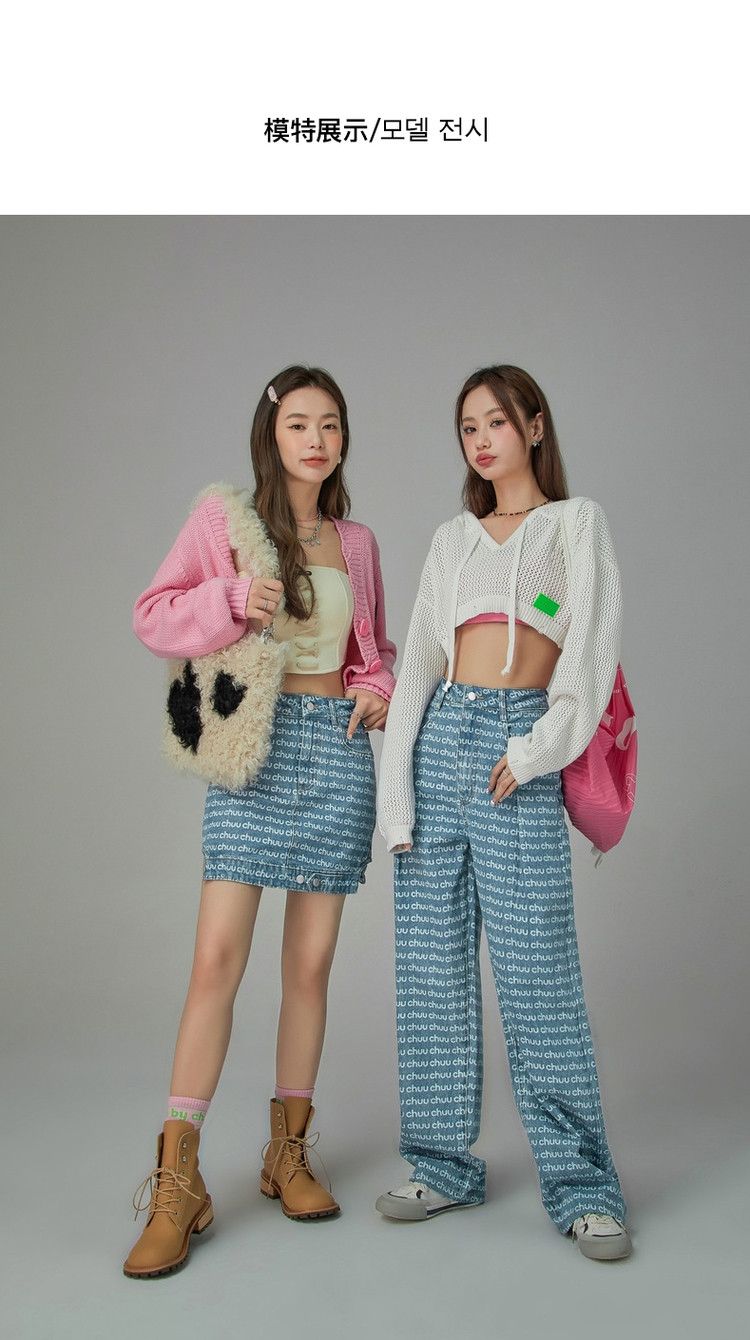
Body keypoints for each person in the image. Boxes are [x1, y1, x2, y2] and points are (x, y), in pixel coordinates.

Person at [124, 365, 396, 1278]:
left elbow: (373, 650)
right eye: (299, 424)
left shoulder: (356, 542)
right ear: (270, 435)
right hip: (255, 753)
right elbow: (153, 616)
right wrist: (233, 601)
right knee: (216, 961)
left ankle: (288, 1152)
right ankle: (178, 1180)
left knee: (310, 966)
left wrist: (378, 685)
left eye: (331, 424)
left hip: (337, 758)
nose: (316, 440)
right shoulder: (226, 523)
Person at [375, 364, 631, 1261]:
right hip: (441, 738)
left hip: (516, 748)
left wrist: (532, 753)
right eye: (467, 427)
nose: (481, 440)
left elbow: (589, 654)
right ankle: (441, 1166)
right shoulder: (452, 538)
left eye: (495, 421)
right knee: (430, 971)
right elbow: (418, 666)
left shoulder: (575, 524)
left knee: (538, 975)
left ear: (534, 425)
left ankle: (585, 1188)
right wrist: (396, 797)